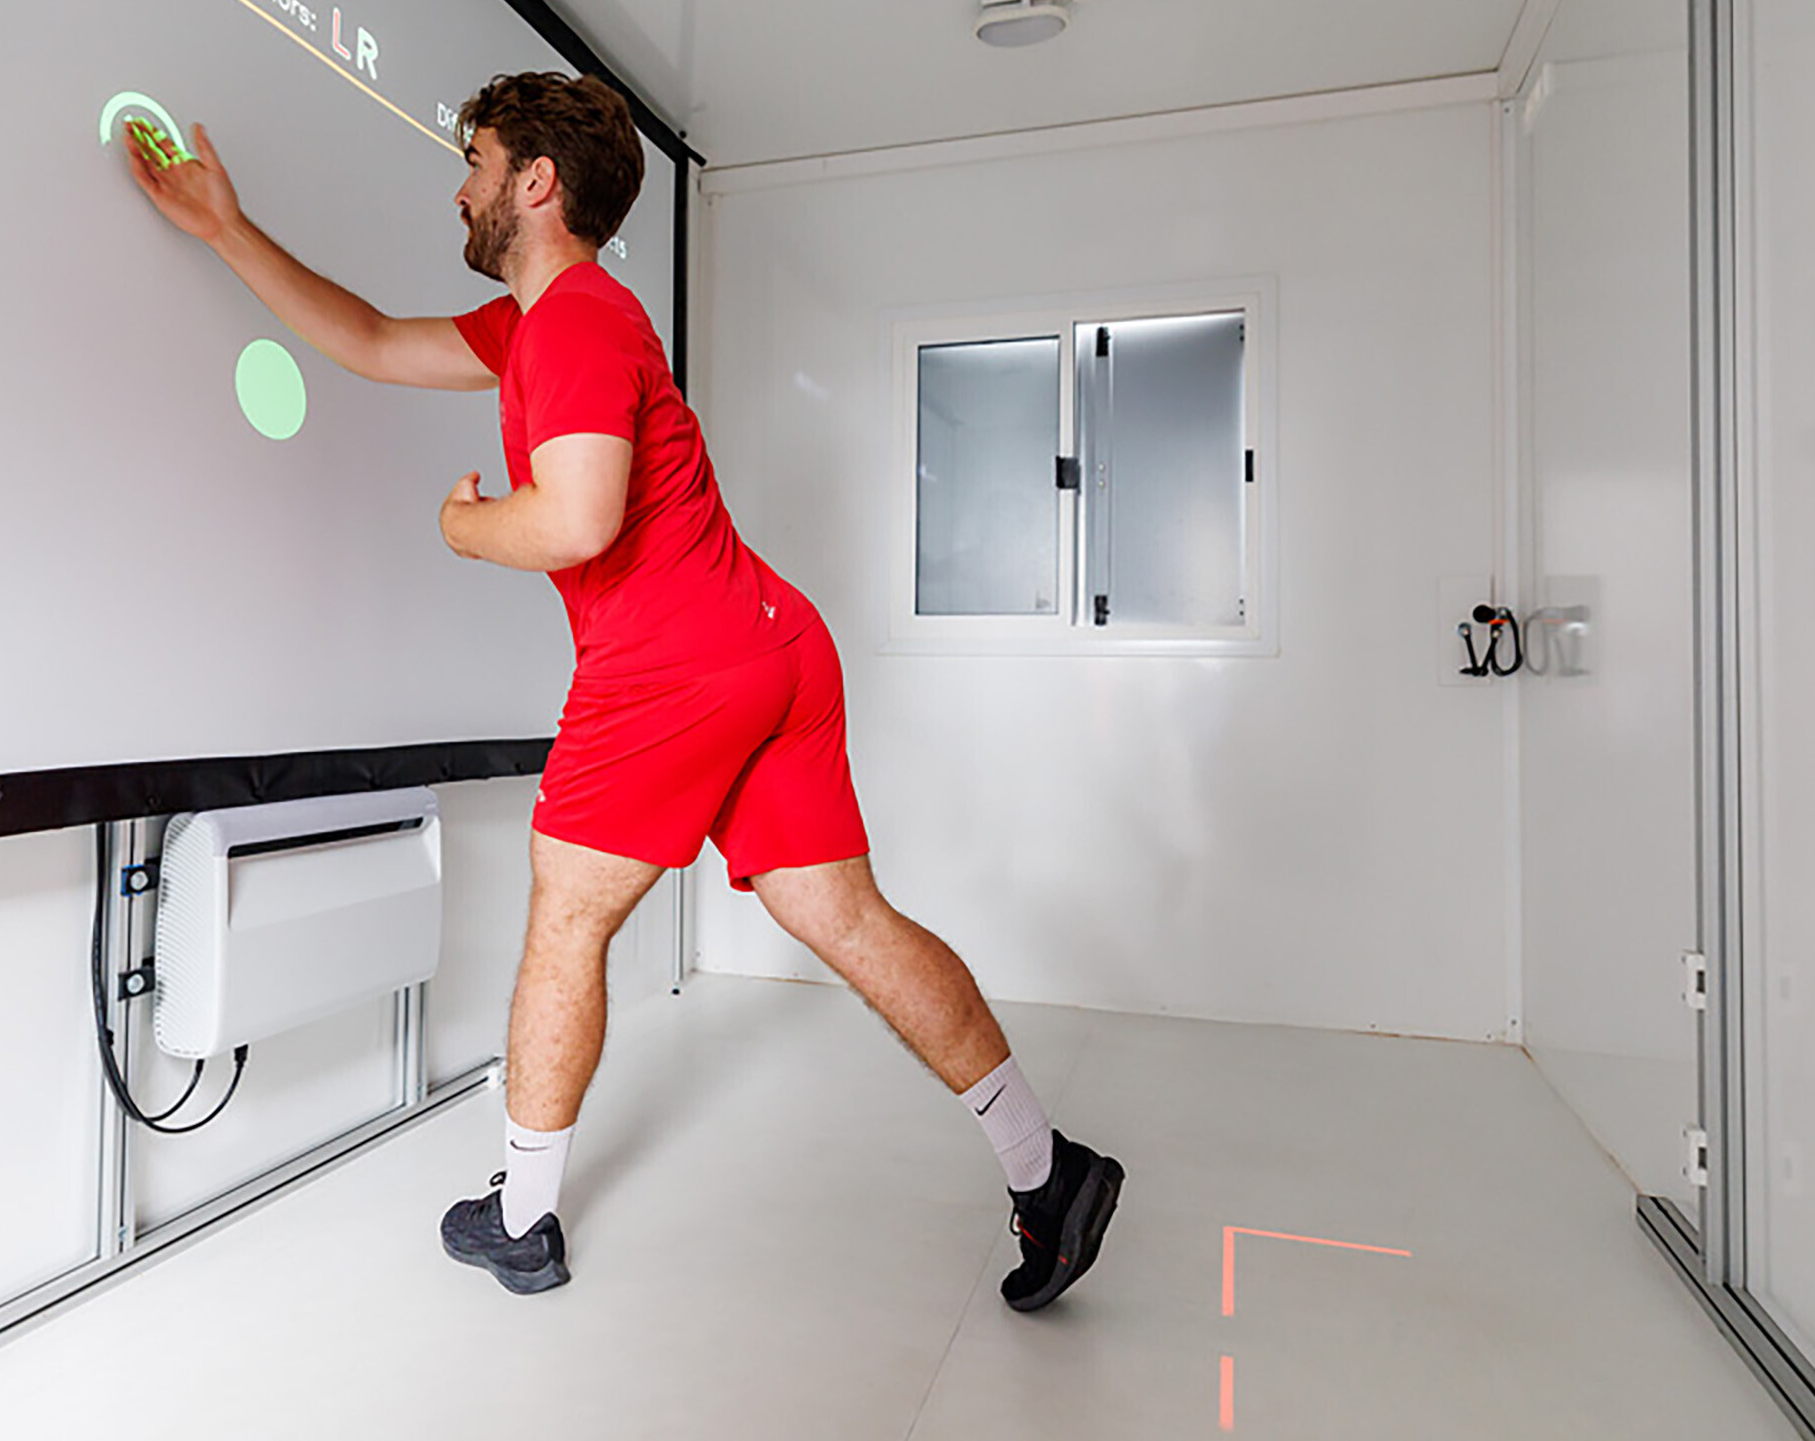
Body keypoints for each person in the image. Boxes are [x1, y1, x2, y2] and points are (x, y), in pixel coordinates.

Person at [120, 73, 1121, 1310]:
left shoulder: (574, 322)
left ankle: (520, 1220)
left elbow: (579, 518)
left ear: (535, 182)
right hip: (769, 640)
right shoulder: (542, 323)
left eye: (477, 162)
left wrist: (464, 527)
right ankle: (1047, 1168)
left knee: (566, 916)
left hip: (672, 663)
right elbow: (371, 340)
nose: (461, 187)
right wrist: (225, 228)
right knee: (844, 916)